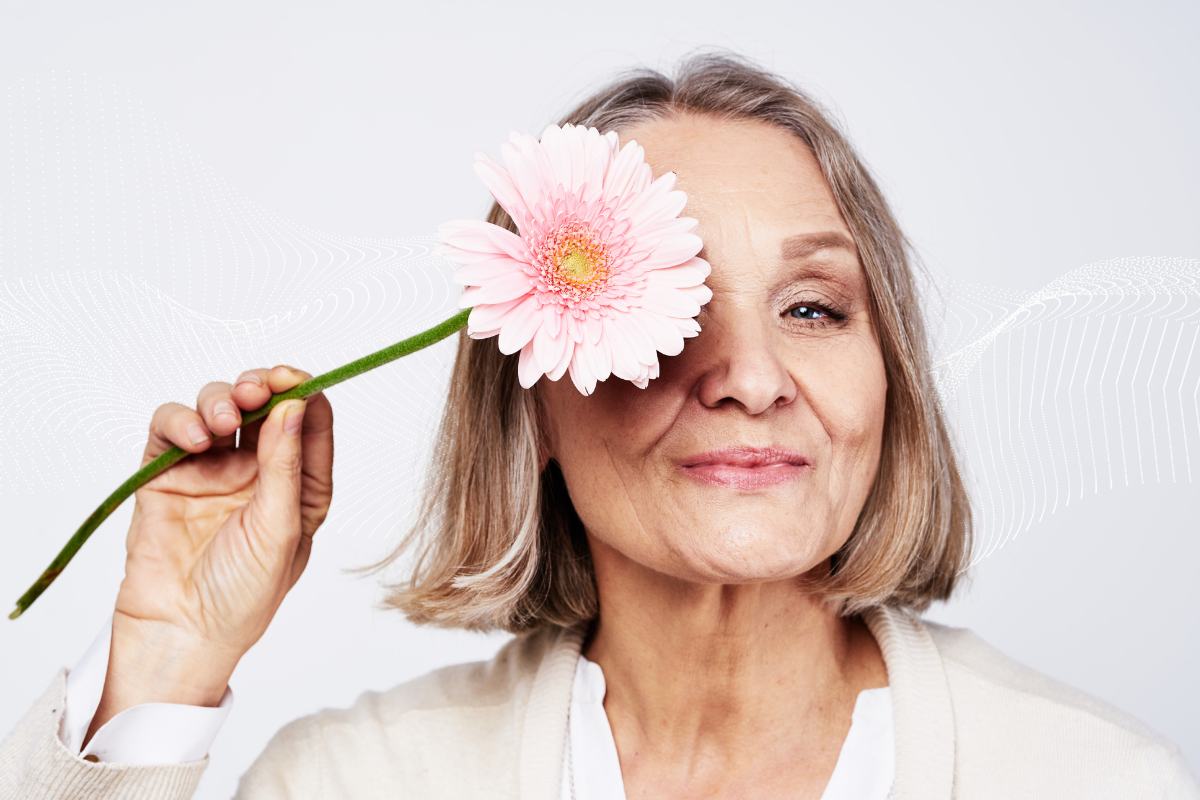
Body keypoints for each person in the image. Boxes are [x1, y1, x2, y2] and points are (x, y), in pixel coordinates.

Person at [2, 53, 1197, 800]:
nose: (750, 376)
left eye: (814, 306)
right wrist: (165, 664)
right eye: (673, 317)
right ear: (536, 400)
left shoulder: (1096, 783)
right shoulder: (355, 782)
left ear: (891, 384)